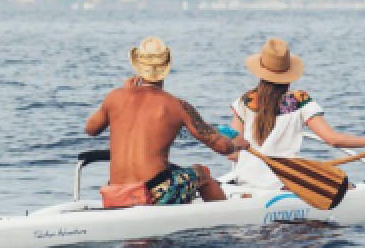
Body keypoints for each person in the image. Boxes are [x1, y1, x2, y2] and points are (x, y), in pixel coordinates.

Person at [85, 37, 249, 206]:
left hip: (115, 191)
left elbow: (90, 129)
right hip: (153, 193)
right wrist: (236, 144)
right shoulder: (177, 105)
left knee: (171, 169)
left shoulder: (115, 96)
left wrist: (124, 92)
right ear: (167, 66)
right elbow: (221, 146)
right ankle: (223, 223)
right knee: (202, 174)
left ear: (138, 66)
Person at [228, 38, 365, 190]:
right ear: (288, 74)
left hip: (245, 182)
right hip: (282, 184)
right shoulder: (299, 100)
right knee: (347, 186)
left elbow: (233, 154)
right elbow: (333, 139)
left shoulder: (243, 101)